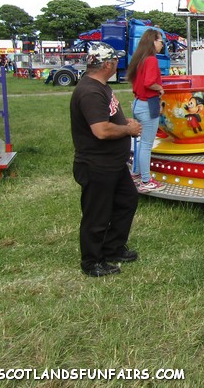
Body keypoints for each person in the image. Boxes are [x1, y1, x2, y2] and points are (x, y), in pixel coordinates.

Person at [70, 42, 142, 277]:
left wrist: (125, 122)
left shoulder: (100, 86)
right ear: (108, 64)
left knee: (127, 201)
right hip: (97, 165)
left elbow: (107, 118)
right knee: (97, 215)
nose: (117, 64)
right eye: (116, 61)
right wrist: (128, 130)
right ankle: (92, 262)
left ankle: (113, 248)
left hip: (112, 164)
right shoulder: (90, 91)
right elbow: (100, 130)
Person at [126, 28, 165, 193]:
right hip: (148, 103)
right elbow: (149, 82)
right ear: (153, 42)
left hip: (138, 103)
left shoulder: (139, 59)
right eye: (160, 41)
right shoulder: (151, 60)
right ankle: (146, 181)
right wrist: (160, 89)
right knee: (147, 144)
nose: (162, 44)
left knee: (141, 143)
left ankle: (136, 173)